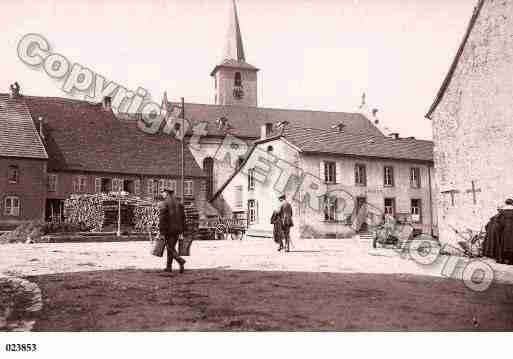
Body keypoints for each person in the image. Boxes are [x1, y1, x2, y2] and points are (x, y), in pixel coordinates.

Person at [158, 189, 186, 273]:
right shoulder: (179, 203)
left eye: (162, 193)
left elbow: (162, 219)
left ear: (166, 193)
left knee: (170, 248)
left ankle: (180, 260)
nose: (162, 194)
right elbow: (183, 218)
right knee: (171, 247)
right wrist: (183, 230)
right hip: (178, 230)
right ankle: (169, 267)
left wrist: (161, 231)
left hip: (168, 230)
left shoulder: (164, 203)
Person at [498, 199, 513, 264]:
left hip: (505, 231)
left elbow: (501, 223)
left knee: (504, 245)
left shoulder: (503, 213)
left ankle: (504, 260)